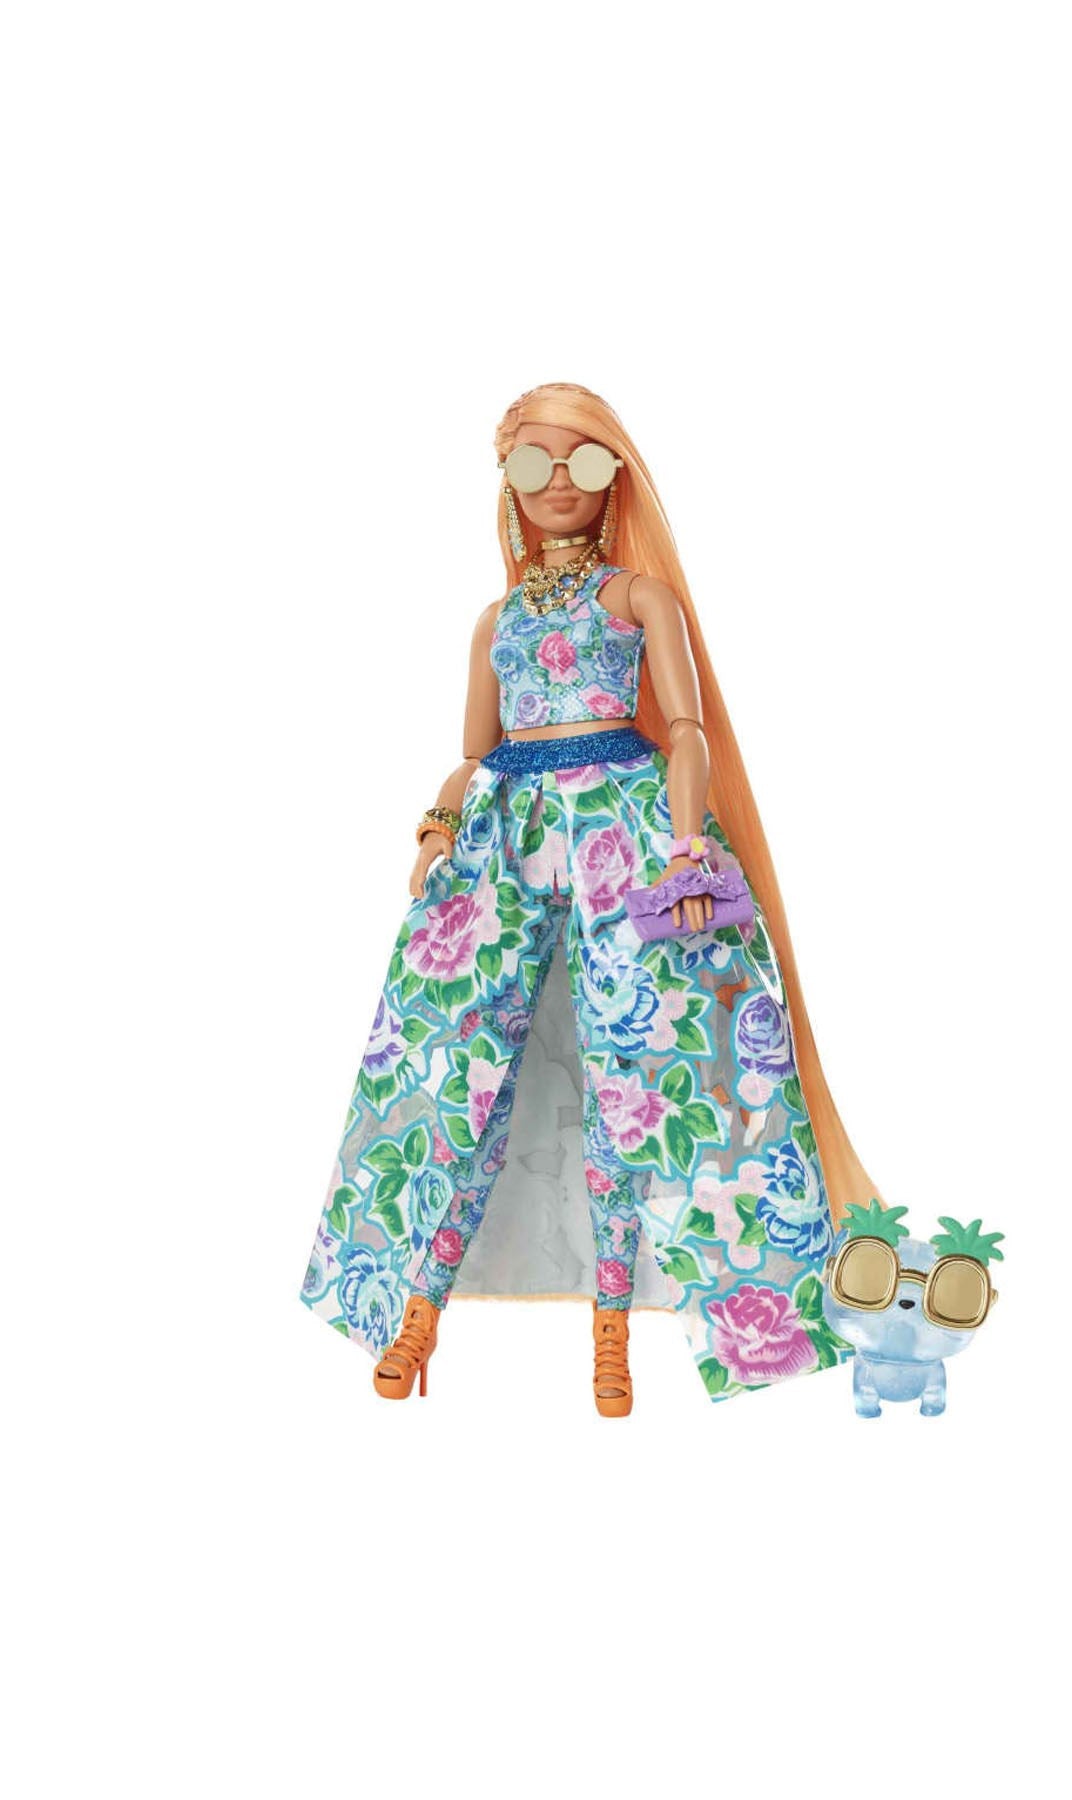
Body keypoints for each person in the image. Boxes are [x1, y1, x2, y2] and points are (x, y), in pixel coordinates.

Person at [300, 382, 880, 1413]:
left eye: (586, 461)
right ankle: (415, 1310)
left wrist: (688, 851)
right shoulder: (495, 620)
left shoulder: (639, 599)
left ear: (619, 477)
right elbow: (474, 752)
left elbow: (688, 733)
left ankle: (613, 1332)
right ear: (507, 483)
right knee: (461, 1070)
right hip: (508, 839)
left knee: (637, 1077)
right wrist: (437, 828)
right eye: (534, 464)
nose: (560, 483)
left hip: (628, 834)